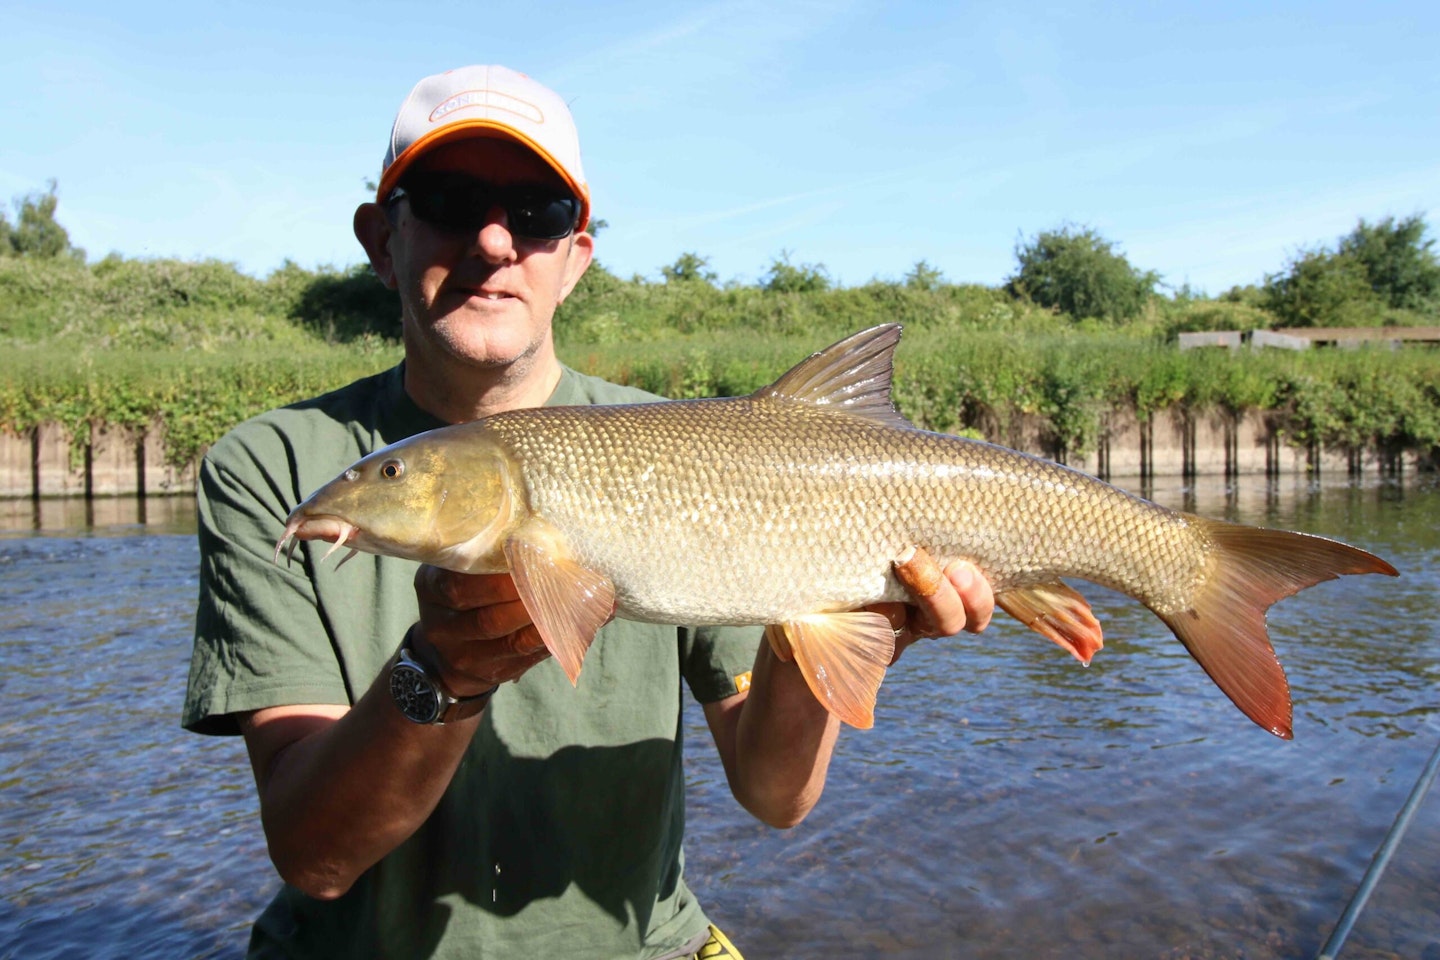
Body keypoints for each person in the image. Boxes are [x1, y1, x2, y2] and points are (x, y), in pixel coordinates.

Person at [183, 64, 995, 960]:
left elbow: (775, 797)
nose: (495, 242)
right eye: (452, 200)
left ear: (577, 257)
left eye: (536, 214)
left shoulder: (690, 447)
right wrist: (440, 672)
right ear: (382, 239)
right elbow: (316, 858)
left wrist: (850, 623)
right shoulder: (274, 468)